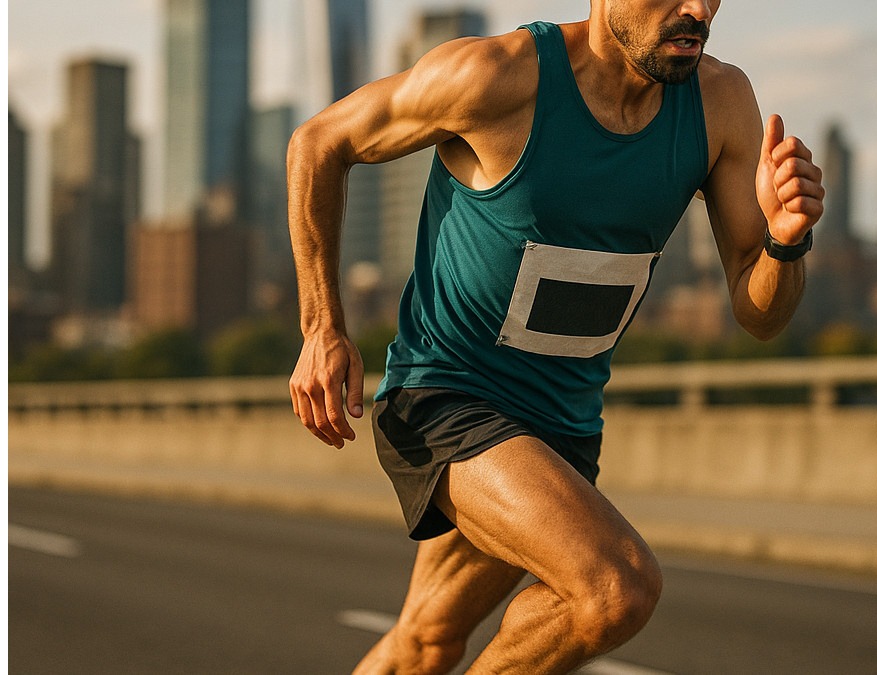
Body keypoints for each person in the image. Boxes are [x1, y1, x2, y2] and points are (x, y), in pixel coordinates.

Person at [287, 0, 824, 671]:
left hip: (560, 428)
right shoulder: (498, 77)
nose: (698, 9)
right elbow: (318, 142)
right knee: (615, 588)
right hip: (445, 400)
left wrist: (784, 241)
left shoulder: (719, 102)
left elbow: (760, 312)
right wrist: (322, 326)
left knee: (423, 642)